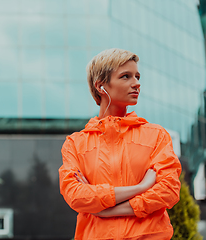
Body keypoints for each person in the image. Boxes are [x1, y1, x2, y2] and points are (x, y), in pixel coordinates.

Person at [59, 48, 181, 240]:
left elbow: (168, 190)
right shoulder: (75, 143)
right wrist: (141, 187)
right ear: (101, 86)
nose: (137, 84)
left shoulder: (156, 135)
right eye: (126, 76)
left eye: (137, 76)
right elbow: (76, 195)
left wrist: (106, 211)